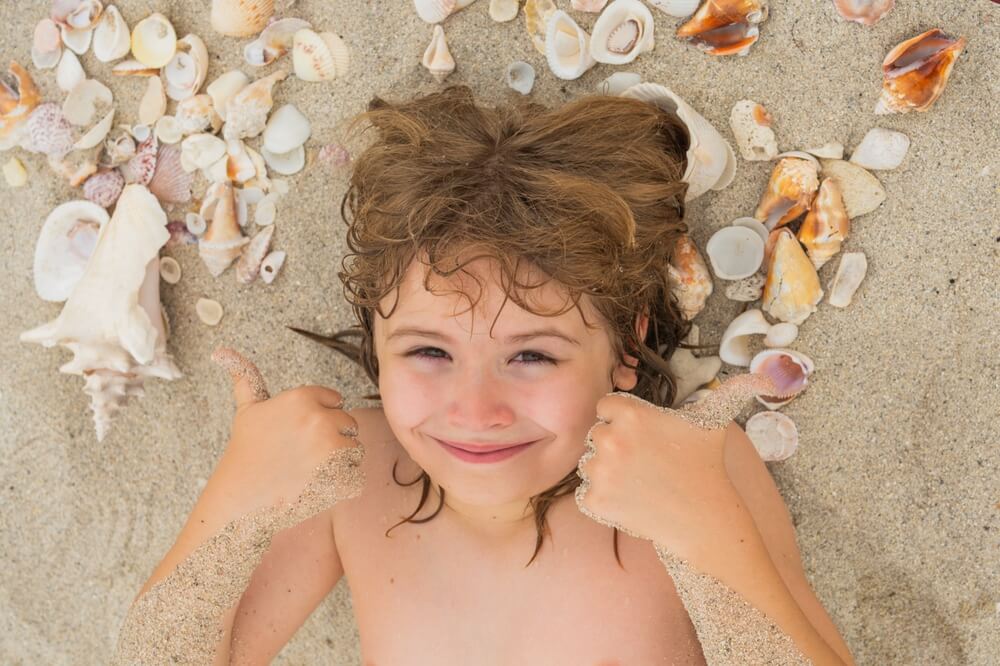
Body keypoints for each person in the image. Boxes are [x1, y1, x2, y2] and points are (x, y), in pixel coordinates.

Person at [117, 86, 856, 665]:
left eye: (531, 355)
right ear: (376, 331)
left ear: (626, 344)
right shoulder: (355, 471)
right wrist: (237, 504)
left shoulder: (690, 470)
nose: (475, 409)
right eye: (428, 352)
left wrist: (706, 532)